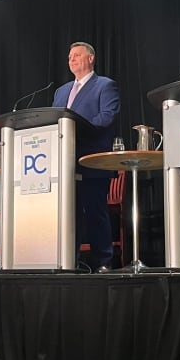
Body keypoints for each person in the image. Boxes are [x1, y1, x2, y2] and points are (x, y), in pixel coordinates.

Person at [52, 42, 120, 273]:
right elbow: (55, 123)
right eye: (70, 56)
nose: (72, 59)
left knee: (94, 212)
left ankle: (103, 261)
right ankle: (70, 261)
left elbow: (106, 117)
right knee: (68, 214)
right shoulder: (61, 91)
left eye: (77, 55)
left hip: (92, 160)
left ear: (91, 58)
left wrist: (78, 129)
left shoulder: (105, 85)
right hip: (65, 163)